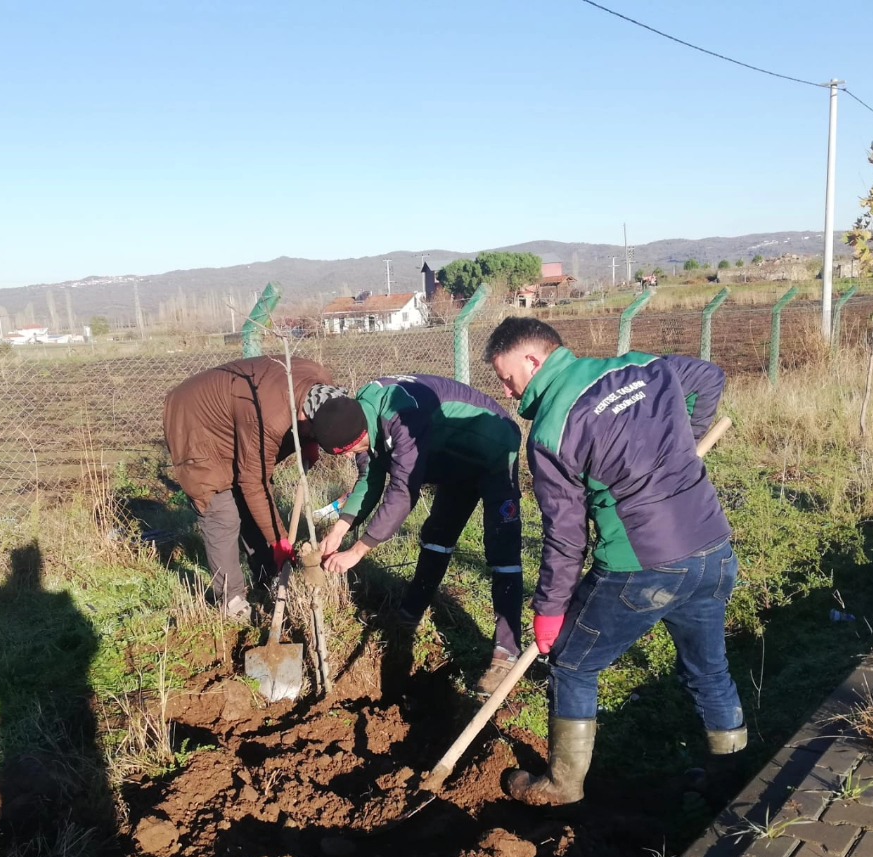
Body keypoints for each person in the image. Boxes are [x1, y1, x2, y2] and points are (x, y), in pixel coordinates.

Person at [482, 316, 744, 806]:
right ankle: (730, 779)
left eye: (507, 376)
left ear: (533, 360)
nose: (508, 390)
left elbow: (566, 535)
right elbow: (709, 378)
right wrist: (682, 443)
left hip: (642, 566)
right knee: (709, 669)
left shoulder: (552, 429)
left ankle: (561, 786)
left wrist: (550, 609)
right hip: (712, 549)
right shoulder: (643, 367)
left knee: (572, 664)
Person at [309, 375, 524, 694]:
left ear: (359, 435)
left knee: (501, 550)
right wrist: (340, 531)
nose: (344, 457)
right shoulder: (362, 417)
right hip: (453, 460)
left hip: (492, 445)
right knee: (437, 536)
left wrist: (357, 552)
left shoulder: (402, 415)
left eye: (346, 451)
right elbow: (370, 480)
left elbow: (402, 492)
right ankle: (408, 616)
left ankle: (507, 653)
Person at [163, 356, 345, 620]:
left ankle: (267, 574)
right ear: (304, 415)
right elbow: (253, 482)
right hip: (195, 421)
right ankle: (231, 599)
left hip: (236, 415)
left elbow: (254, 480)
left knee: (251, 505)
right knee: (222, 511)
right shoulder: (270, 415)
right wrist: (280, 541)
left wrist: (311, 441)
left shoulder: (322, 385)